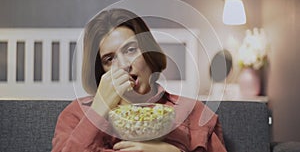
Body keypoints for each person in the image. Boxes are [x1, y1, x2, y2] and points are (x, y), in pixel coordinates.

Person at [51, 8, 227, 152]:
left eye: (130, 50)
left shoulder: (193, 112)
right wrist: (98, 109)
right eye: (109, 59)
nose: (124, 65)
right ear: (101, 71)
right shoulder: (75, 115)